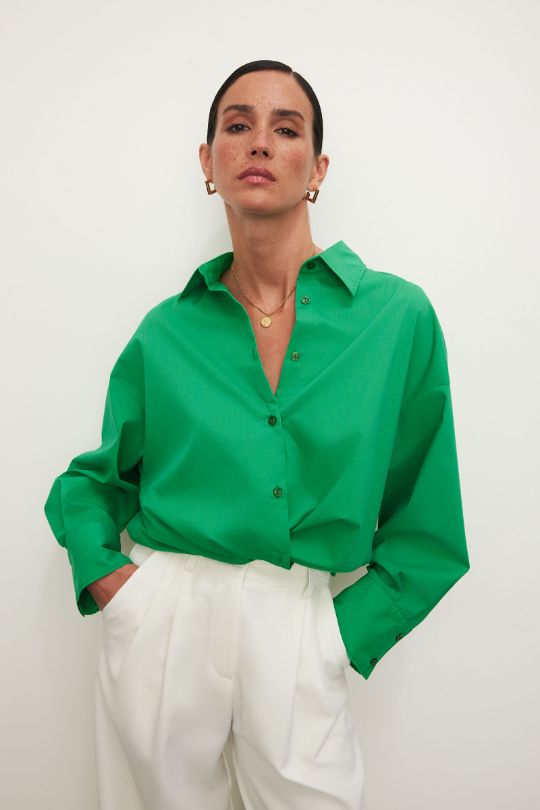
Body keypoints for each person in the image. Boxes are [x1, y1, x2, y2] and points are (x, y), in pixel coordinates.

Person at [43, 59, 470, 810]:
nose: (260, 143)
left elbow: (427, 528)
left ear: (318, 168)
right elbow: (93, 483)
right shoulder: (167, 331)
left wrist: (336, 637)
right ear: (208, 163)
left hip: (300, 624)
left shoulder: (397, 318)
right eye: (237, 126)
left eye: (287, 128)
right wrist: (119, 591)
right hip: (164, 622)